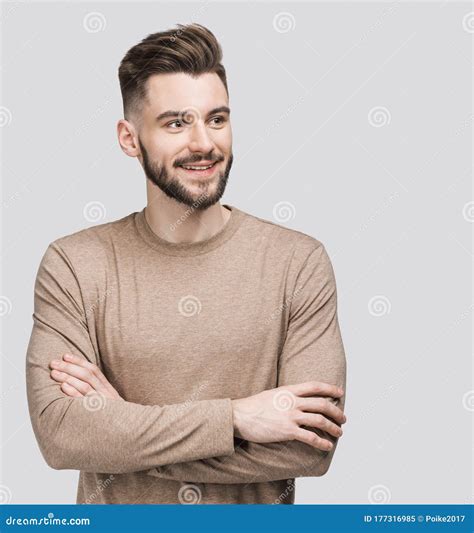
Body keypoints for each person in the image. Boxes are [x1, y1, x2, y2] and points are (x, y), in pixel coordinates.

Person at [25, 23, 347, 505]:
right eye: (176, 123)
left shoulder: (297, 262)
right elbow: (62, 435)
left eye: (217, 119)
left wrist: (120, 430)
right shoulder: (74, 265)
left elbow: (309, 448)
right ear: (129, 138)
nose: (203, 143)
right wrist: (237, 418)